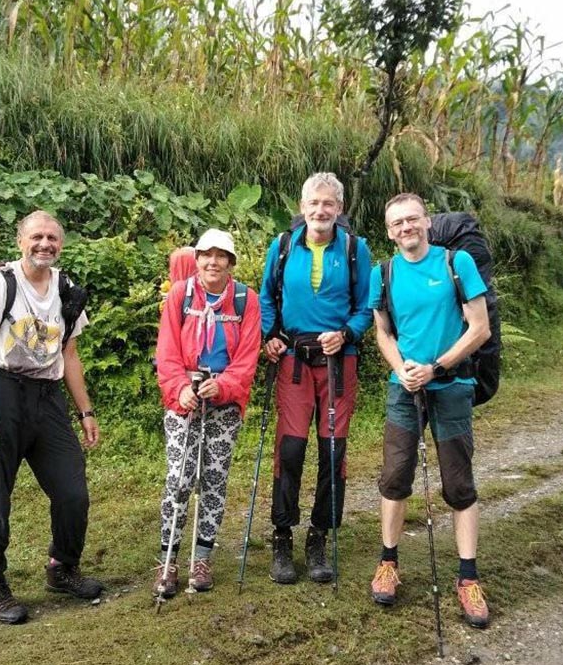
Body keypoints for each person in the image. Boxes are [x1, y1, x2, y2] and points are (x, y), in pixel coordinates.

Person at [0, 210, 102, 624]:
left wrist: (86, 411)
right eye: (36, 237)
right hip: (3, 392)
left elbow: (70, 355)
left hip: (48, 398)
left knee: (72, 491)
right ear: (20, 241)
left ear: (61, 244)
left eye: (52, 238)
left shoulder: (66, 289)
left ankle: (62, 567)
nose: (44, 244)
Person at [368, 193, 492, 628]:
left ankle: (468, 577)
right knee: (395, 477)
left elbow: (480, 327)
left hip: (452, 386)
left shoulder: (456, 264)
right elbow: (382, 332)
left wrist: (437, 366)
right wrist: (402, 368)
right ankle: (388, 563)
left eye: (413, 219)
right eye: (398, 222)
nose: (406, 228)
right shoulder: (382, 273)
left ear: (427, 222)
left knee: (459, 482)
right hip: (404, 389)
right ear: (389, 230)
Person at [259, 173, 373, 584]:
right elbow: (266, 297)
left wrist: (345, 334)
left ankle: (319, 537)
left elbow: (367, 307)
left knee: (332, 452)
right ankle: (282, 537)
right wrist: (270, 336)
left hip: (338, 363)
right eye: (314, 203)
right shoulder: (284, 245)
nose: (320, 211)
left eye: (328, 204)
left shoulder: (356, 250)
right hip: (292, 358)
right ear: (302, 206)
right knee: (289, 450)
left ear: (339, 209)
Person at [153, 229, 261, 596]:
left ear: (231, 262)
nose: (213, 262)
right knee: (179, 479)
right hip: (183, 397)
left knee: (213, 481)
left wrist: (226, 386)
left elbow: (247, 357)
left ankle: (202, 560)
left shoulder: (246, 300)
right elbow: (166, 351)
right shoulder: (179, 296)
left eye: (221, 256)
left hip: (224, 401)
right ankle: (167, 561)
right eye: (206, 255)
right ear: (196, 259)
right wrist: (179, 388)